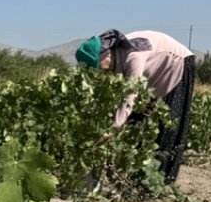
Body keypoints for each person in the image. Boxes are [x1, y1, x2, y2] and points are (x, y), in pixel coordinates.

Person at [76, 29, 196, 184]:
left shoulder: (132, 55)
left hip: (178, 63)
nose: (99, 71)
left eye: (97, 66)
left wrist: (112, 129)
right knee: (134, 124)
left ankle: (160, 183)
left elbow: (130, 96)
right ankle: (132, 178)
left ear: (105, 55)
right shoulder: (116, 59)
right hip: (153, 78)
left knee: (167, 127)